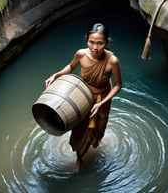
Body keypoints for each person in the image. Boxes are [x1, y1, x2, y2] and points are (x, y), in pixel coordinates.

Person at [45, 23, 122, 173]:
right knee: (80, 130)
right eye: (91, 42)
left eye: (100, 43)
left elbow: (118, 85)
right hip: (82, 95)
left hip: (103, 97)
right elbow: (70, 67)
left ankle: (97, 139)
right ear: (87, 40)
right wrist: (56, 74)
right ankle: (79, 158)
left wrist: (101, 104)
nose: (95, 47)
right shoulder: (81, 54)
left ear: (107, 42)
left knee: (100, 127)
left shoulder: (112, 61)